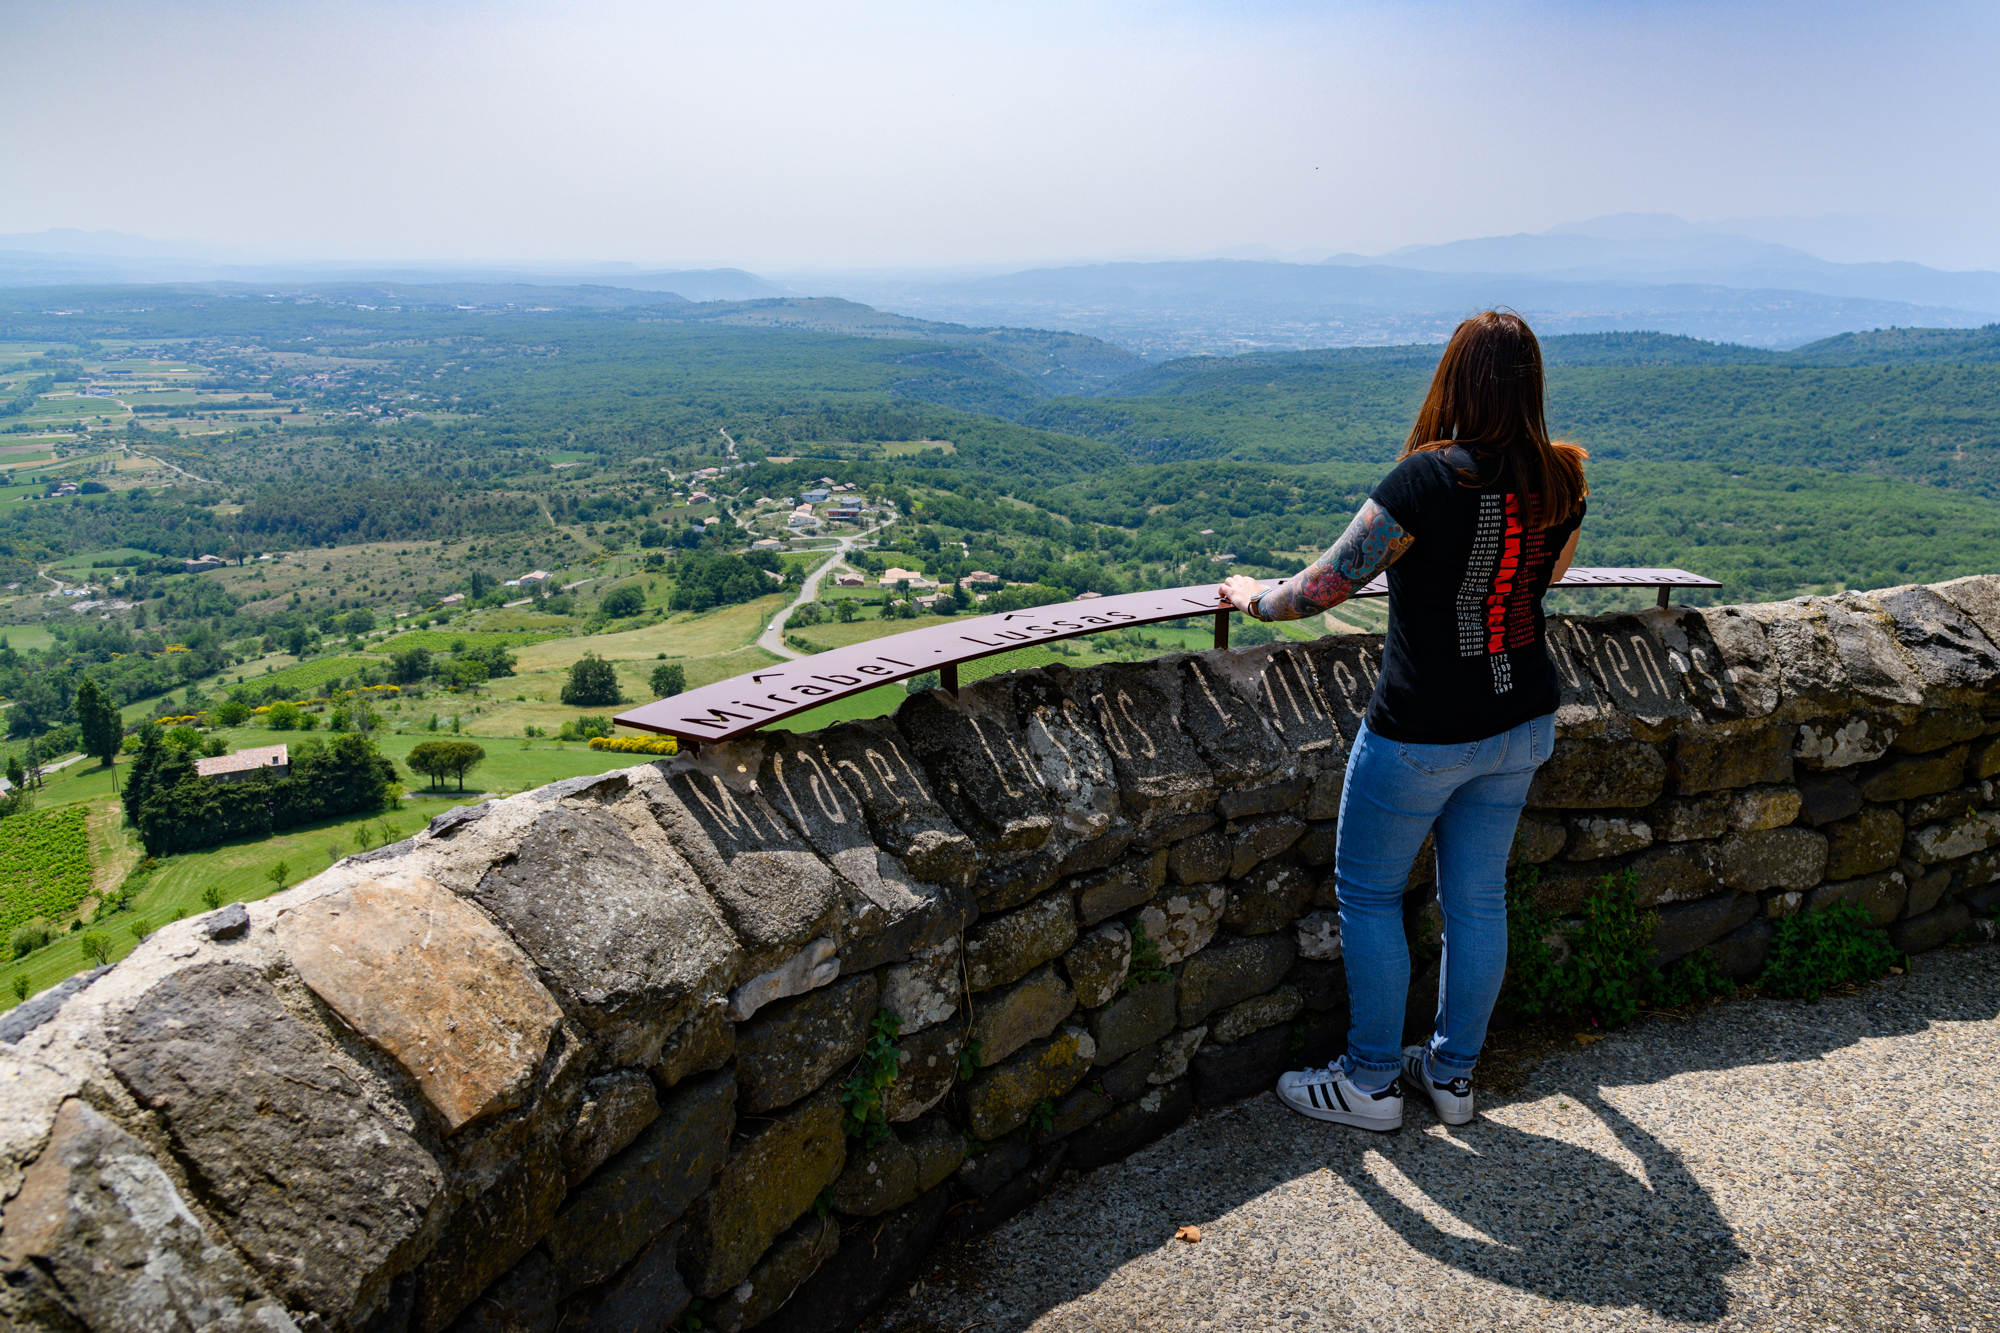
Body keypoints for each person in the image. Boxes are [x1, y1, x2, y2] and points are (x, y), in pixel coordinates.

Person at [1219, 310, 1588, 1131]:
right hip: (1521, 719)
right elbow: (1546, 577)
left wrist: (1250, 597)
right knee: (1477, 901)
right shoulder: (1564, 480)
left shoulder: (1424, 480)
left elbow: (1320, 589)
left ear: (1455, 379)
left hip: (1423, 727)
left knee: (1370, 893)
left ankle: (1371, 1082)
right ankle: (1453, 1075)